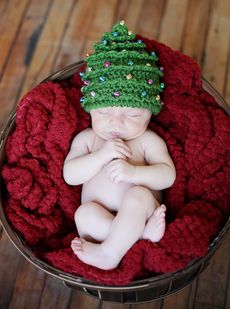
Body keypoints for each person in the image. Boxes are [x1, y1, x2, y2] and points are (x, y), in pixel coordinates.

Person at [63, 22, 176, 270]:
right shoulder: (89, 139)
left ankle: (109, 254)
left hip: (140, 209)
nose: (117, 123)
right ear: (91, 108)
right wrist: (101, 156)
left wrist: (135, 173)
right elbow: (70, 175)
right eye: (103, 112)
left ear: (150, 113)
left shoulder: (147, 141)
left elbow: (167, 176)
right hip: (100, 222)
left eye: (133, 115)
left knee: (138, 195)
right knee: (83, 214)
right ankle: (136, 236)